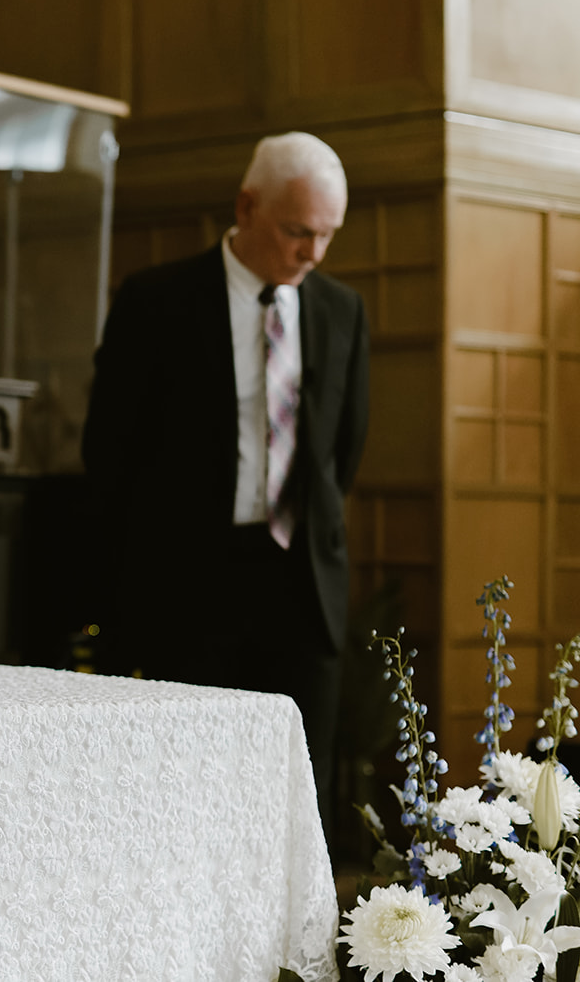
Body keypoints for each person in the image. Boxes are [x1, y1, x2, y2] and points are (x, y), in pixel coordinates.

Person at [81, 131, 369, 821]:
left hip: (301, 583)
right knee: (187, 789)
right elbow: (108, 449)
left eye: (328, 234)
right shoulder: (157, 301)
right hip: (189, 583)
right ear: (246, 205)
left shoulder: (340, 308)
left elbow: (345, 447)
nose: (314, 253)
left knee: (299, 793)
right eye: (299, 231)